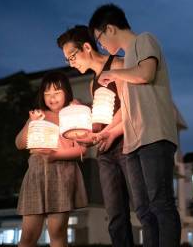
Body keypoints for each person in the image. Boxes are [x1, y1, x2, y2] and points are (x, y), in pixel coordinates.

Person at [89, 3, 181, 247]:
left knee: (161, 204)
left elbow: (145, 74)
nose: (101, 46)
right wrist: (108, 133)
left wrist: (115, 74)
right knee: (143, 210)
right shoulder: (126, 60)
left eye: (99, 39)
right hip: (132, 142)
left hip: (155, 135)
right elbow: (126, 110)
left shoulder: (144, 40)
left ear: (109, 29)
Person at [56, 25, 135, 247]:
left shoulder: (118, 65)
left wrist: (108, 133)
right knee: (115, 213)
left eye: (72, 56)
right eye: (67, 60)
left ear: (87, 47)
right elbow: (101, 119)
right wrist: (83, 128)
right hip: (105, 151)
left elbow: (127, 106)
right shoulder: (93, 83)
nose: (71, 63)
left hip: (127, 143)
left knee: (142, 205)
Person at [15, 71, 88, 247]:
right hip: (37, 175)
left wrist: (55, 155)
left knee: (57, 231)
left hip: (63, 174)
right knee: (28, 235)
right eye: (47, 94)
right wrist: (31, 123)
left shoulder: (73, 113)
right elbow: (19, 143)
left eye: (56, 93)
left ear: (66, 92)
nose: (52, 98)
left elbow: (82, 149)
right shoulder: (39, 115)